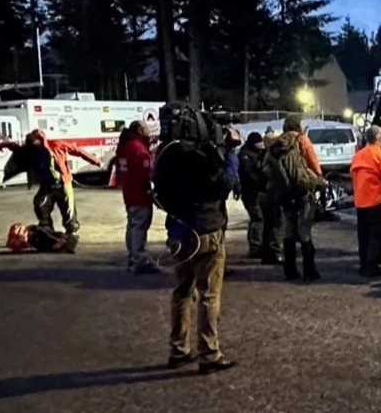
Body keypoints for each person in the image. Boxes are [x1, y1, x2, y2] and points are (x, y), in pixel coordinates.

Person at [152, 109, 236, 374]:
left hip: (179, 232)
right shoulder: (205, 156)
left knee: (182, 291)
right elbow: (226, 184)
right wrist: (231, 152)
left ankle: (178, 349)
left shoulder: (167, 155)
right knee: (209, 294)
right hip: (206, 231)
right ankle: (209, 354)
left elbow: (158, 191)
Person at [0, 129, 103, 242]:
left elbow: (78, 151)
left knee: (68, 208)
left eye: (37, 141)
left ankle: (70, 231)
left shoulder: (57, 145)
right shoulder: (31, 151)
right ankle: (46, 227)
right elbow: (8, 146)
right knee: (40, 203)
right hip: (47, 185)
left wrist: (97, 161)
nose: (35, 144)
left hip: (63, 182)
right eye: (32, 142)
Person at [264, 115, 325, 281]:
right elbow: (313, 162)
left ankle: (290, 270)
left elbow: (267, 168)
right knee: (305, 230)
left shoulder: (277, 142)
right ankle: (309, 270)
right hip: (303, 189)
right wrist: (318, 179)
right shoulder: (302, 140)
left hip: (284, 192)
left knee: (289, 229)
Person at [350, 125, 381, 277]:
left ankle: (364, 265)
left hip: (360, 202)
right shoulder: (380, 155)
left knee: (363, 236)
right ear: (380, 139)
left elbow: (353, 176)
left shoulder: (358, 155)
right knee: (375, 236)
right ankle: (371, 267)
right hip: (376, 201)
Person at [114, 120, 157, 273]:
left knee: (132, 224)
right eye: (146, 128)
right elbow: (145, 173)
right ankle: (140, 259)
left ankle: (133, 256)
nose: (149, 130)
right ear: (139, 129)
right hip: (139, 193)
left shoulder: (124, 145)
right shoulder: (138, 148)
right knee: (139, 225)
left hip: (129, 192)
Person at [237, 132, 271, 260]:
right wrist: (261, 183)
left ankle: (259, 245)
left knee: (259, 218)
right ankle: (255, 247)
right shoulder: (245, 156)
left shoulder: (259, 153)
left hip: (258, 191)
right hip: (250, 192)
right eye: (259, 142)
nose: (261, 145)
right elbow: (249, 174)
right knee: (257, 218)